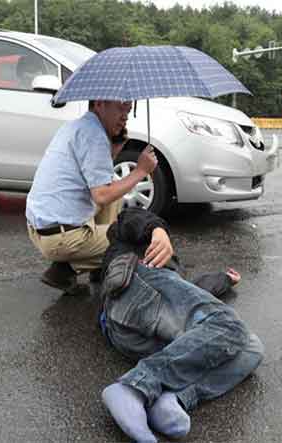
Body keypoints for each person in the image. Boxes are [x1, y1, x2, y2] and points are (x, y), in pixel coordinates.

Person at [98, 207, 264, 443]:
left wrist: (224, 279)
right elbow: (129, 216)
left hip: (135, 332)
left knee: (251, 347)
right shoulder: (129, 243)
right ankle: (134, 387)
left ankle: (172, 397)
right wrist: (157, 230)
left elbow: (189, 295)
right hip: (134, 284)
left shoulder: (168, 280)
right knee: (229, 326)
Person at [26, 100, 172, 294]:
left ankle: (98, 266)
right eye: (121, 107)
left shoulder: (76, 126)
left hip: (40, 229)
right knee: (135, 243)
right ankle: (64, 270)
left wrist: (116, 143)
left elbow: (99, 176)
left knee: (113, 186)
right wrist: (140, 171)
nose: (125, 115)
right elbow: (102, 195)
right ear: (100, 103)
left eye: (128, 110)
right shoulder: (94, 136)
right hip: (61, 237)